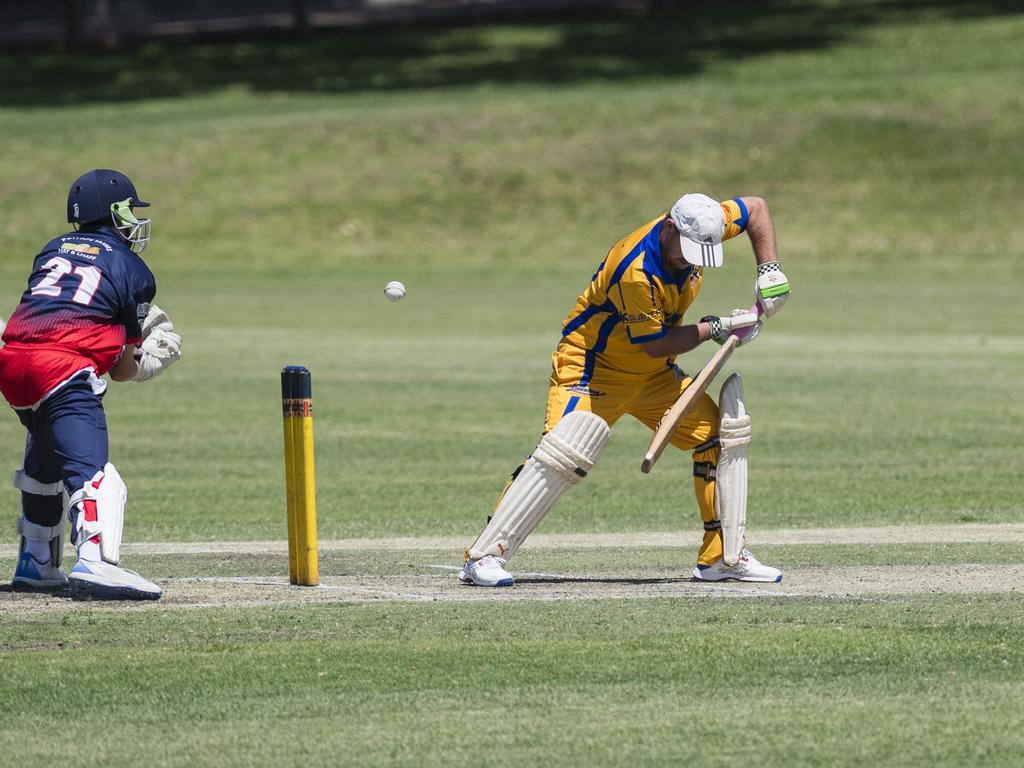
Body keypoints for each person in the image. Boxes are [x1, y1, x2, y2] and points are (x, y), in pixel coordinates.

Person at [459, 193, 791, 587]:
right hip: (592, 369)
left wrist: (769, 270)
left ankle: (722, 557)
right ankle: (484, 557)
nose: (694, 260)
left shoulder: (708, 220)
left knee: (717, 437)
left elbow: (755, 208)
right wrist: (718, 328)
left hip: (653, 377)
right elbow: (655, 342)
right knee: (559, 454)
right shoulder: (636, 270)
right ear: (670, 227)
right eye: (688, 252)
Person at [0, 169, 182, 600]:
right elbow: (119, 369)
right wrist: (149, 361)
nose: (133, 222)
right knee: (94, 474)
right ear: (115, 213)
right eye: (128, 213)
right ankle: (96, 562)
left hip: (12, 363)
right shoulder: (132, 266)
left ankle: (36, 561)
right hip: (62, 368)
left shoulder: (52, 248)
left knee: (46, 453)